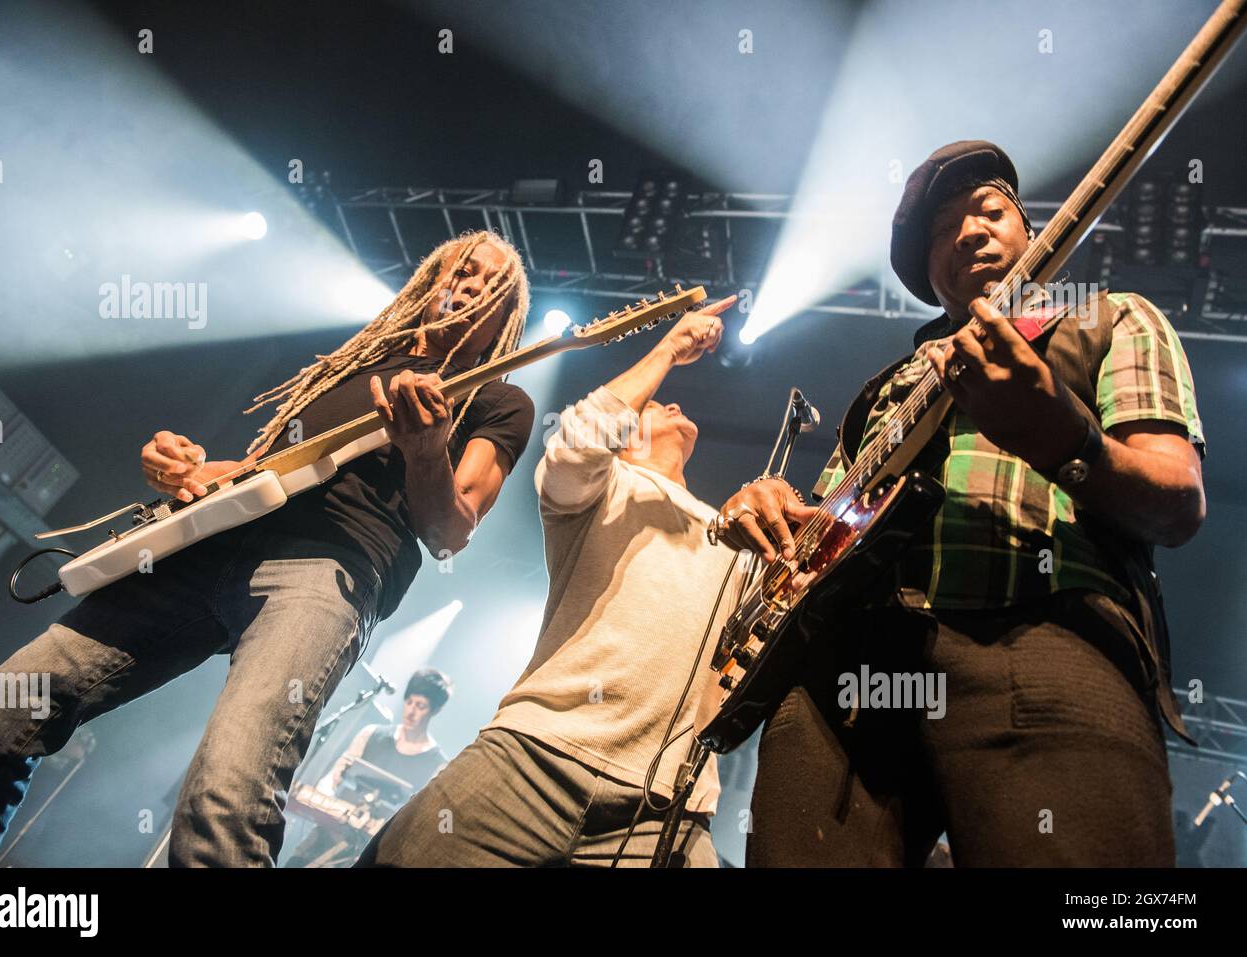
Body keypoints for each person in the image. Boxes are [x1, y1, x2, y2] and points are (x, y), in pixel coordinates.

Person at [0, 231, 535, 867]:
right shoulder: (351, 364)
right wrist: (187, 469)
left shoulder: (497, 399)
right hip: (209, 548)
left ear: (505, 320)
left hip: (327, 571)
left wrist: (425, 451)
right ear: (429, 281)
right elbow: (259, 473)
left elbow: (451, 531)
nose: (472, 287)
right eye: (462, 271)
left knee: (225, 797)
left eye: (492, 286)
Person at [712, 141, 1206, 867]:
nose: (969, 233)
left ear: (1029, 228)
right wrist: (780, 509)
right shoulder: (886, 389)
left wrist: (1061, 437)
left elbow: (1177, 501)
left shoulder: (1113, 317)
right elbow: (827, 531)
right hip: (849, 678)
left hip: (1048, 635)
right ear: (929, 274)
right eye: (943, 230)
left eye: (989, 212)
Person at [355, 294, 739, 867]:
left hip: (667, 805)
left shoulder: (732, 532)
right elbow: (582, 439)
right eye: (656, 406)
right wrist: (667, 349)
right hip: (537, 753)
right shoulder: (599, 488)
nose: (674, 404)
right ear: (625, 435)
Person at [283, 668, 451, 867]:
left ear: (434, 710)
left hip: (375, 853)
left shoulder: (437, 765)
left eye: (420, 706)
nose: (411, 711)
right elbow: (332, 778)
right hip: (327, 836)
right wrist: (323, 799)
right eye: (409, 702)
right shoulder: (371, 734)